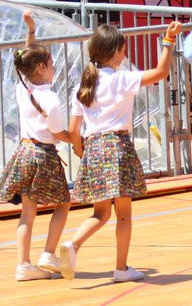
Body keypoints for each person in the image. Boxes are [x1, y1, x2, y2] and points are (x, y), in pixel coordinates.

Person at [58, 19, 182, 281]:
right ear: (115, 53)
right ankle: (121, 268)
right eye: (123, 51)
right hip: (117, 147)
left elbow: (73, 131)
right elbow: (161, 72)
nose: (125, 56)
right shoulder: (122, 79)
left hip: (94, 148)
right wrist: (168, 41)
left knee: (100, 213)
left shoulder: (84, 86)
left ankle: (74, 244)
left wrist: (82, 151)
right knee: (123, 215)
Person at [0, 12, 72, 281]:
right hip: (43, 154)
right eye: (50, 64)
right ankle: (48, 253)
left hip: (24, 151)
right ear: (41, 68)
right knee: (63, 204)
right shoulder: (50, 99)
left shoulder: (23, 87)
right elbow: (58, 132)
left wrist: (31, 32)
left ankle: (23, 264)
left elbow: (26, 58)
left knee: (28, 212)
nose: (53, 67)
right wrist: (76, 139)